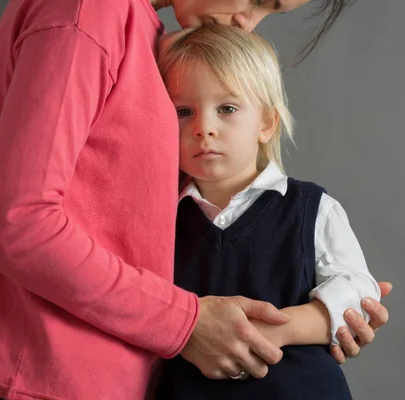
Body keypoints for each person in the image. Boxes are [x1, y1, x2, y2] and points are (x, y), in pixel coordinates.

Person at [0, 1, 391, 399]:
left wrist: (334, 313)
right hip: (41, 378)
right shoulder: (87, 13)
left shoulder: (146, 36)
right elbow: (19, 221)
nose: (246, 22)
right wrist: (187, 323)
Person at [154, 24, 381, 399]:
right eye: (183, 111)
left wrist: (283, 328)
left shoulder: (309, 208)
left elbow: (356, 290)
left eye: (227, 109)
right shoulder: (162, 217)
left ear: (266, 123)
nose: (203, 128)